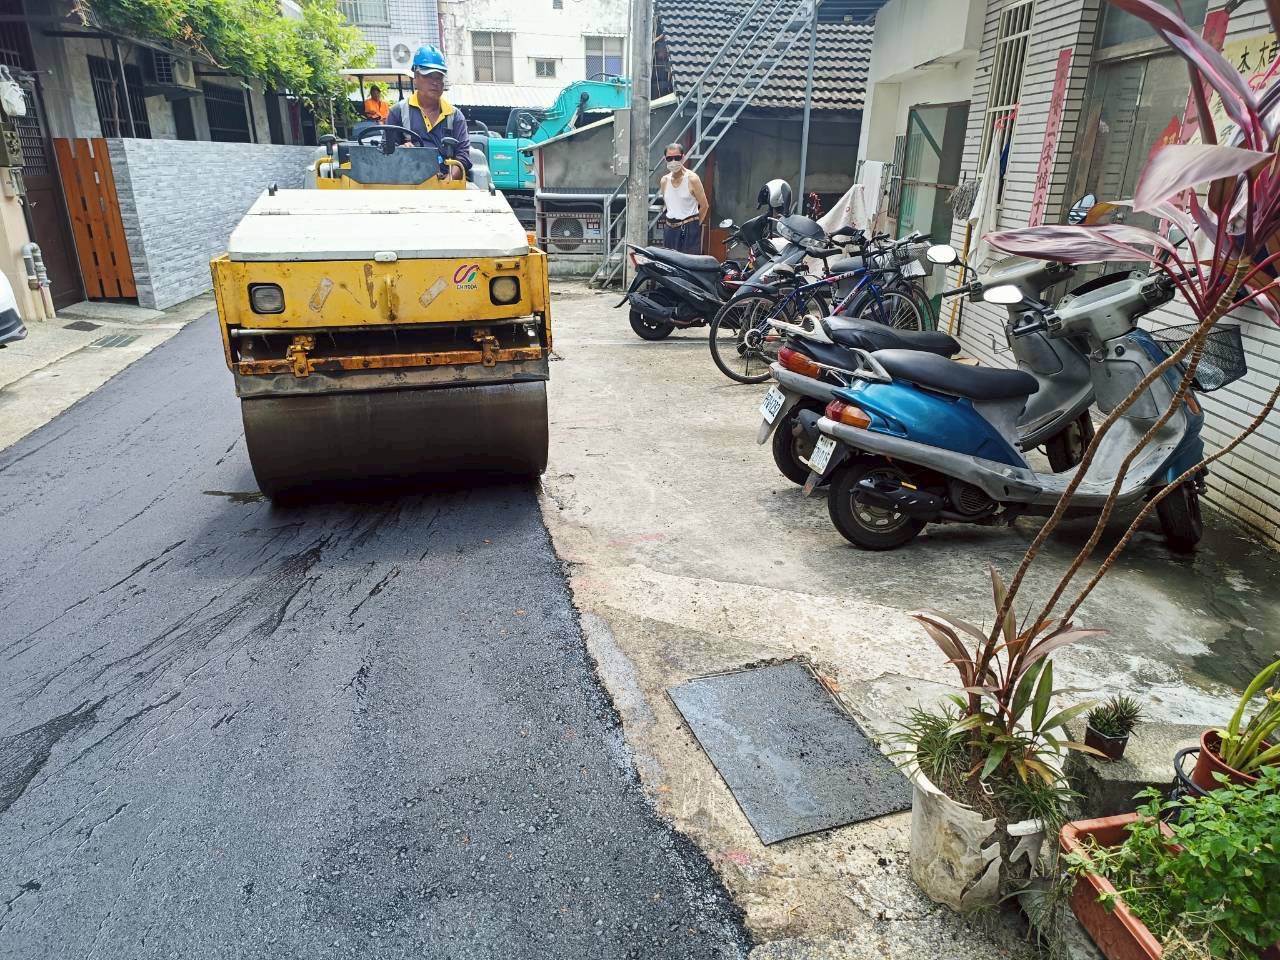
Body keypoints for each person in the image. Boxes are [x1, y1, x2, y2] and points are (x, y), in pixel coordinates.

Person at [386, 46, 472, 181]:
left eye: (439, 77)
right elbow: (385, 155)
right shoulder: (398, 112)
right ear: (415, 77)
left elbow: (463, 157)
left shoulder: (455, 116)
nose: (435, 82)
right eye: (428, 76)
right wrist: (400, 151)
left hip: (446, 182)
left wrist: (447, 183)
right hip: (409, 184)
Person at [658, 143, 708, 253]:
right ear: (665, 159)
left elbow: (704, 206)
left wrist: (694, 226)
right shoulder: (664, 181)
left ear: (683, 157)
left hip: (689, 228)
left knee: (688, 261)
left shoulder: (692, 179)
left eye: (677, 158)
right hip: (670, 229)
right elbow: (669, 204)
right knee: (668, 261)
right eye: (669, 158)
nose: (673, 161)